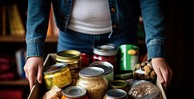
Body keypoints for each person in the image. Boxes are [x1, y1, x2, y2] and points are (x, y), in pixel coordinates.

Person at [24, 0, 173, 91]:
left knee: (123, 97)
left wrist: (156, 51)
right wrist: (34, 52)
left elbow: (150, 2)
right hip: (71, 41)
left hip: (121, 37)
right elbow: (38, 3)